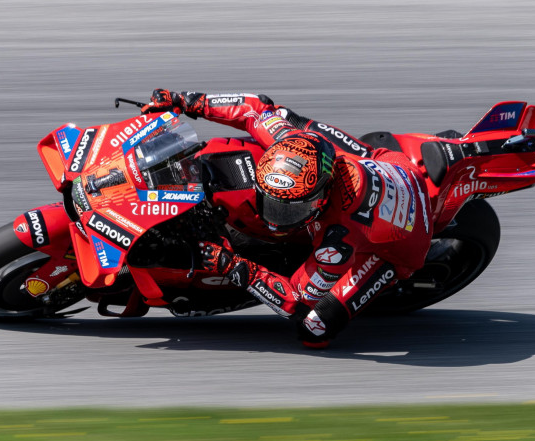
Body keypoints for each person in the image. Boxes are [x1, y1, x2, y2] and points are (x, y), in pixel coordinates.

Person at [142, 89, 433, 348]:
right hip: (387, 162)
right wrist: (186, 101)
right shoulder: (296, 143)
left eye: (288, 210)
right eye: (269, 202)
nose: (274, 217)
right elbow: (255, 109)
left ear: (321, 197)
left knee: (313, 328)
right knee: (287, 118)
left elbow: (296, 299)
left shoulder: (338, 241)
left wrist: (232, 265)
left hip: (397, 249)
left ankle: (387, 274)